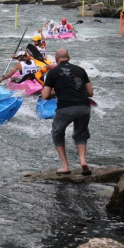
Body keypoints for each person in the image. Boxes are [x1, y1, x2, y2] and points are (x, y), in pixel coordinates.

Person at [41, 48, 94, 176]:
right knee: (81, 134)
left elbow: (45, 95)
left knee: (57, 133)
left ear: (56, 59)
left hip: (66, 108)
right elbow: (90, 93)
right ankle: (83, 161)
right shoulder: (81, 70)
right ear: (68, 58)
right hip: (84, 106)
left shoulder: (53, 72)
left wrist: (56, 91)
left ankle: (65, 166)